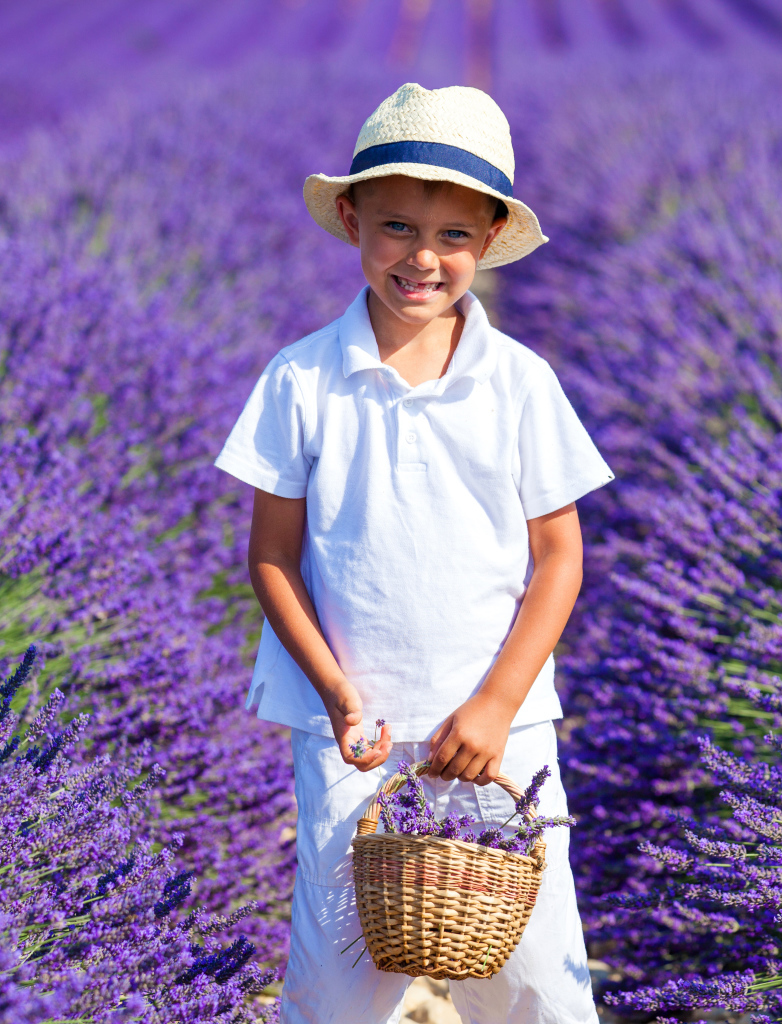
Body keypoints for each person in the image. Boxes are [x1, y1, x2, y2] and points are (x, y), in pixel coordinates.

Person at [215, 82, 612, 1024]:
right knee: (335, 987)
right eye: (396, 227)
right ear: (351, 221)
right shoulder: (302, 377)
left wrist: (496, 704)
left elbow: (560, 558)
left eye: (453, 237)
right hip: (358, 733)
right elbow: (272, 556)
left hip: (500, 732)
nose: (423, 258)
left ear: (488, 241)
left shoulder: (518, 383)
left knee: (537, 985)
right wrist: (339, 696)